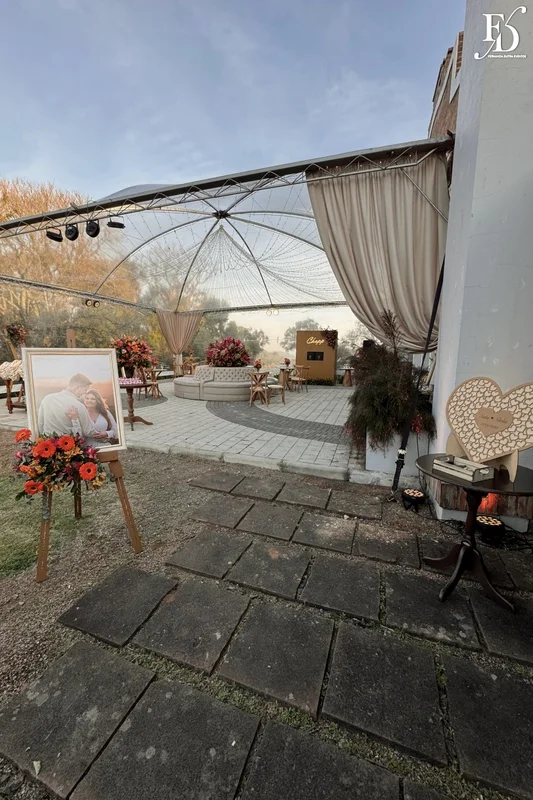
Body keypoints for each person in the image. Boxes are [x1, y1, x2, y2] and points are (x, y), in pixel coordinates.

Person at [37, 373, 103, 440]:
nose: (85, 393)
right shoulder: (79, 406)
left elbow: (40, 424)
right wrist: (106, 435)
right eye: (85, 389)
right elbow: (88, 432)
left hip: (48, 443)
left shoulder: (47, 398)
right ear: (78, 388)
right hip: (68, 444)